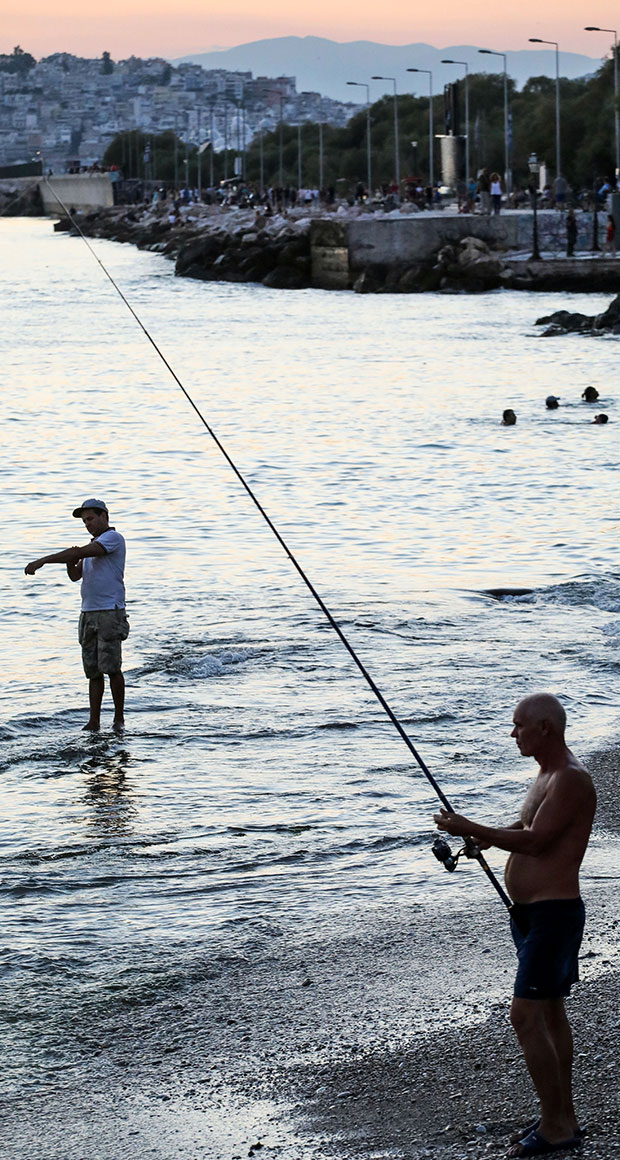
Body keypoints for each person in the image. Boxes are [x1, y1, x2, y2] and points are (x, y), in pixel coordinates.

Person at [434, 694, 596, 1158]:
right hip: (529, 914)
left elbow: (537, 841)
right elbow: (529, 823)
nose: (513, 734)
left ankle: (556, 1128)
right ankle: (561, 1114)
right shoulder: (547, 775)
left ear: (544, 728)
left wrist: (470, 824)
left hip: (554, 915)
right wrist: (481, 840)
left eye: (519, 726)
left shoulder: (570, 778)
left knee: (523, 1016)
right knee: (548, 1014)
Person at [24, 499, 128, 731]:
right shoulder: (90, 548)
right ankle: (94, 721)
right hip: (88, 613)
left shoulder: (113, 539)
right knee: (93, 671)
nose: (87, 524)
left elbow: (79, 552)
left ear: (104, 516)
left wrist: (43, 561)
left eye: (90, 519)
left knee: (112, 668)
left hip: (109, 611)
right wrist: (70, 561)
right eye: (84, 522)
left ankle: (118, 719)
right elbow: (75, 575)